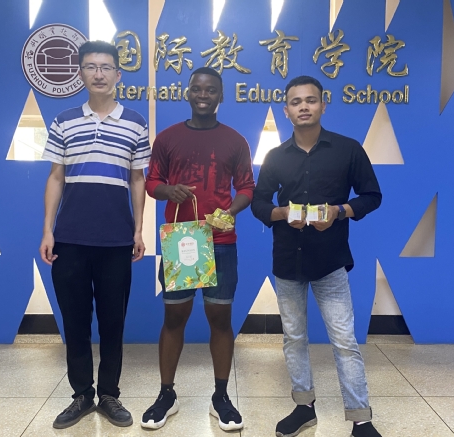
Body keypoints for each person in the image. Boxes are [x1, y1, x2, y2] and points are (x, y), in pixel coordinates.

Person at [251, 75, 383, 437]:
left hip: (330, 261)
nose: (304, 107)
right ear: (286, 110)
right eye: (296, 102)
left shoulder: (348, 150)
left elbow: (372, 196)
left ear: (324, 105)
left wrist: (339, 212)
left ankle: (361, 419)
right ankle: (303, 407)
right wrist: (280, 214)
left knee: (344, 341)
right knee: (294, 338)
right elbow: (259, 203)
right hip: (287, 259)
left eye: (310, 100)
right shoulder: (276, 156)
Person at [39, 40, 150, 429]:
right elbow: (56, 177)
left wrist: (138, 229)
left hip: (117, 240)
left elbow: (137, 179)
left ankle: (110, 395)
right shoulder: (64, 120)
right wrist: (48, 230)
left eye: (105, 67)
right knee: (75, 321)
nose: (98, 73)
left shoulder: (135, 122)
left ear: (118, 74)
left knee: (113, 322)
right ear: (81, 73)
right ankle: (82, 394)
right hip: (69, 239)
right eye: (90, 67)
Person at [142, 67, 255, 431]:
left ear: (221, 96)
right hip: (181, 243)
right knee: (174, 319)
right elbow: (151, 182)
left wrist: (230, 212)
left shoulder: (235, 141)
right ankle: (166, 395)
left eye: (211, 90)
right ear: (187, 93)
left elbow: (247, 187)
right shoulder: (168, 138)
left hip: (219, 243)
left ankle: (220, 396)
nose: (203, 95)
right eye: (197, 89)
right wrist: (167, 190)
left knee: (220, 319)